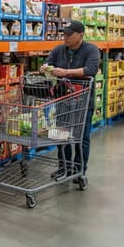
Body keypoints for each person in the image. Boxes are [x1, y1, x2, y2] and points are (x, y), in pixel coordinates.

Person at [40, 20, 100, 187]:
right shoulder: (59, 50)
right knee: (62, 135)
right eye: (64, 34)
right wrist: (45, 68)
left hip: (82, 100)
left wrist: (66, 72)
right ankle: (64, 166)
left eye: (69, 35)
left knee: (82, 137)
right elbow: (47, 63)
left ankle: (80, 170)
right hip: (63, 99)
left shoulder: (91, 50)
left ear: (80, 35)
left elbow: (91, 70)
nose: (65, 37)